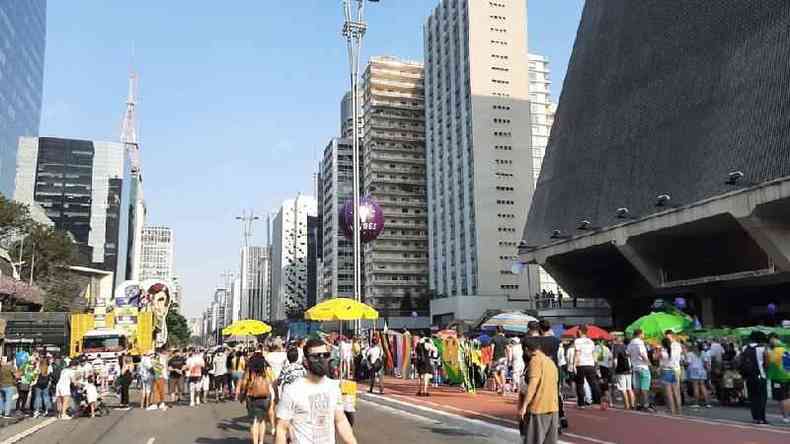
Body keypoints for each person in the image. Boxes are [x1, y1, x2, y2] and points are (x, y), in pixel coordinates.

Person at [275, 339, 358, 444]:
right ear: (306, 361)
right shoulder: (292, 390)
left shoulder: (333, 387)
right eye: (316, 356)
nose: (321, 359)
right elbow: (281, 429)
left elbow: (340, 420)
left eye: (325, 355)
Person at [518, 340, 559, 444]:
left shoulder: (535, 361)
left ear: (526, 349)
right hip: (553, 407)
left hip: (538, 407)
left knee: (533, 440)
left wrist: (524, 406)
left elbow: (533, 385)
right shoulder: (550, 362)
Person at [239, 353, 274, 444]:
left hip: (252, 396)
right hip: (265, 396)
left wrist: (242, 393)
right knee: (262, 420)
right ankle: (261, 441)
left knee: (254, 421)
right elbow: (272, 380)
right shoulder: (267, 368)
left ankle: (255, 442)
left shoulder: (250, 369)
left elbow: (244, 382)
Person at [740, 331, 768, 424]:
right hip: (760, 375)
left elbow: (740, 361)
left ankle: (755, 418)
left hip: (748, 376)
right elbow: (766, 362)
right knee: (762, 397)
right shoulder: (762, 348)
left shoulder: (744, 348)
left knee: (753, 397)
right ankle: (762, 418)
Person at [573, 326, 600, 408]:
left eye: (578, 331)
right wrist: (595, 364)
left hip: (581, 364)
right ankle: (597, 402)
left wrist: (574, 364)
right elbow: (594, 354)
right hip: (590, 364)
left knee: (580, 384)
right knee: (593, 383)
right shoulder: (591, 341)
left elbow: (578, 353)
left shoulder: (577, 341)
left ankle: (581, 404)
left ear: (580, 331)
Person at [765, 333, 790, 424]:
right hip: (787, 375)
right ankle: (786, 416)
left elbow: (768, 364)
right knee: (786, 396)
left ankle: (786, 417)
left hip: (779, 377)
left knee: (783, 398)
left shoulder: (773, 352)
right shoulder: (786, 349)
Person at [627, 329, 653, 411]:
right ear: (640, 334)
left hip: (635, 367)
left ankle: (637, 404)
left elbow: (627, 353)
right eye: (643, 334)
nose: (644, 335)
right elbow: (642, 354)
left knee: (637, 388)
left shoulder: (631, 343)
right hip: (643, 367)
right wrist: (649, 363)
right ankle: (646, 405)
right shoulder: (640, 342)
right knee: (645, 387)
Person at [659, 337, 682, 415]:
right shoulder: (676, 350)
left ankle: (672, 411)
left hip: (666, 371)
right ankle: (679, 410)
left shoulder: (662, 352)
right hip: (675, 371)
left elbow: (660, 363)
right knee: (676, 392)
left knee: (669, 394)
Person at [685, 342, 712, 408]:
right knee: (703, 386)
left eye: (694, 346)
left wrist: (684, 364)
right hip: (702, 371)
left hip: (694, 371)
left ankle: (696, 403)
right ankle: (707, 403)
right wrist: (706, 369)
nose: (693, 347)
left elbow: (688, 363)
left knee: (695, 387)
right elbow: (706, 364)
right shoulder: (704, 353)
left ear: (696, 347)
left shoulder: (690, 354)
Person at [613, 336, 635, 410]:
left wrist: (615, 369)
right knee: (629, 388)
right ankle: (632, 404)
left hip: (620, 370)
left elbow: (615, 360)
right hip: (628, 370)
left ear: (616, 341)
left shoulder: (616, 347)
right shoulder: (627, 347)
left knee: (623, 389)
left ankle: (626, 405)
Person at [492, 326, 509, 395]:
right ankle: (503, 391)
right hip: (504, 358)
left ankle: (501, 386)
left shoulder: (494, 338)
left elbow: (492, 348)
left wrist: (490, 357)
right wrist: (508, 358)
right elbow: (508, 349)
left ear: (496, 331)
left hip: (496, 357)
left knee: (494, 372)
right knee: (502, 373)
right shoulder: (505, 339)